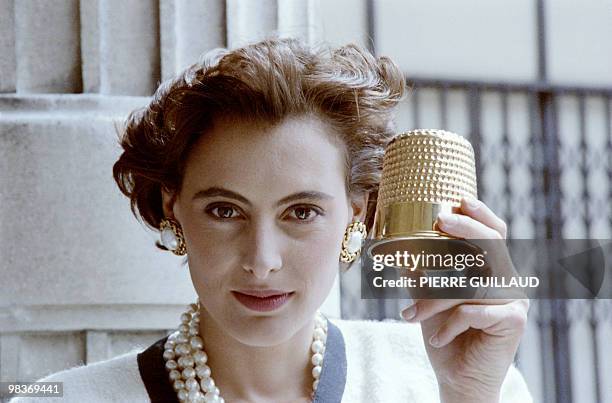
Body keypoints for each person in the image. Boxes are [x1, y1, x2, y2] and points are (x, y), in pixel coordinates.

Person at [13, 38, 532, 403]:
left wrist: (468, 395)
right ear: (174, 207)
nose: (262, 261)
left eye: (301, 212)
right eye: (224, 211)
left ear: (355, 213)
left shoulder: (447, 381)